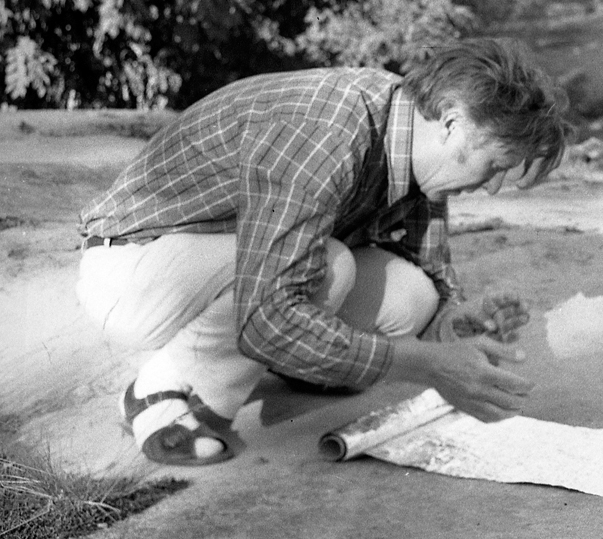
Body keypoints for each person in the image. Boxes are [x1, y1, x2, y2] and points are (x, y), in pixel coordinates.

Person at [76, 38, 574, 466]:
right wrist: (429, 365)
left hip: (212, 269)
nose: (493, 187)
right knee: (329, 265)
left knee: (413, 298)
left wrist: (452, 327)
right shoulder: (328, 131)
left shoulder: (415, 139)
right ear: (451, 122)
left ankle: (284, 365)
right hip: (131, 272)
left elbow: (429, 275)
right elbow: (269, 318)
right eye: (495, 165)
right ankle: (161, 393)